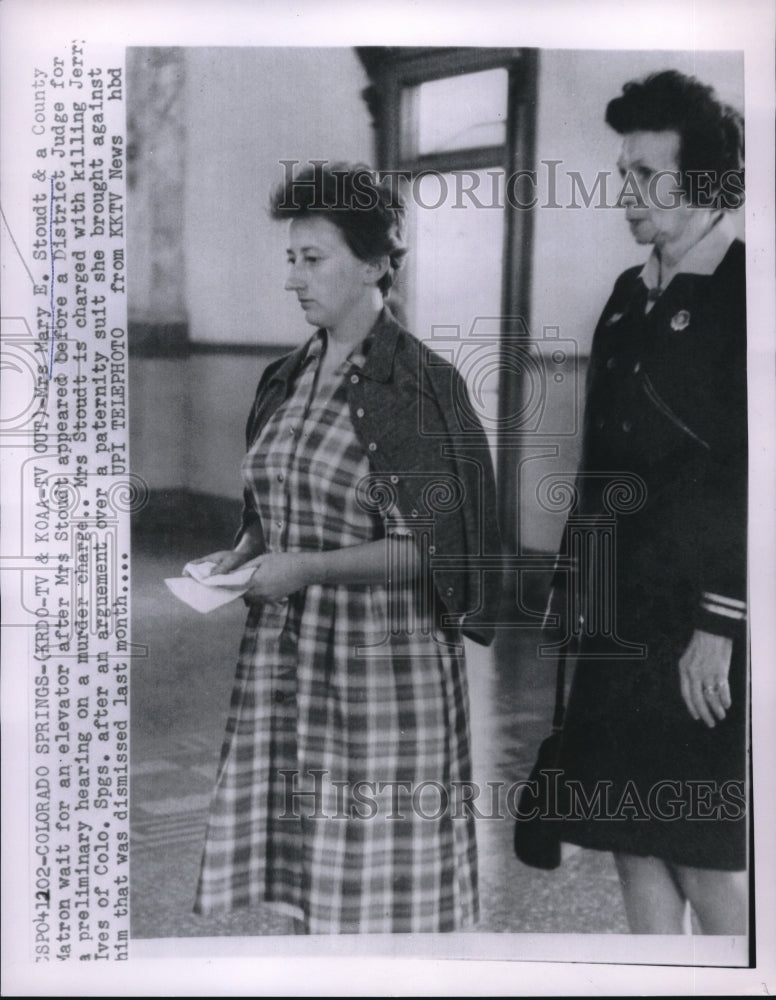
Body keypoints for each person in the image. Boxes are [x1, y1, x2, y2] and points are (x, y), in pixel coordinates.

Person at [190, 162, 501, 934]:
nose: (293, 279)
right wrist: (243, 552)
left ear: (375, 263)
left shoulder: (421, 386)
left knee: (374, 902)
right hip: (290, 662)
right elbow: (273, 506)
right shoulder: (286, 375)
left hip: (382, 673)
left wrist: (306, 570)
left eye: (312, 259)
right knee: (307, 886)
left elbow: (440, 550)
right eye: (289, 259)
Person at [549, 71, 748, 934]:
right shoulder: (629, 297)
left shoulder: (748, 290)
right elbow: (601, 458)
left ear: (700, 182)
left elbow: (750, 473)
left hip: (695, 624)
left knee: (701, 850)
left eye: (644, 176)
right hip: (620, 614)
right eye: (621, 173)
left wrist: (719, 625)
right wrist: (577, 583)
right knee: (631, 836)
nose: (623, 194)